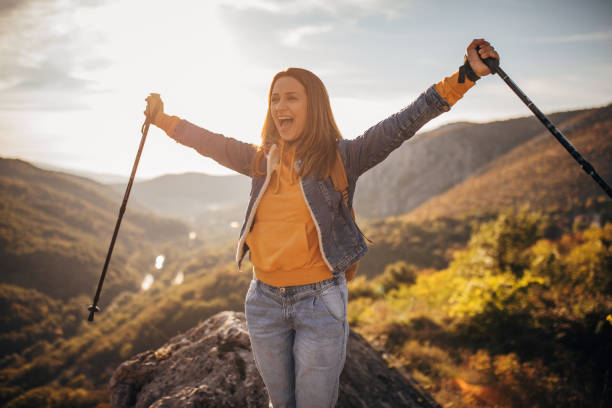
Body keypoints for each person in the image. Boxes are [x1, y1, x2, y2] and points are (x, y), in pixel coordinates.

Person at [145, 38, 499, 408]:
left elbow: (407, 120)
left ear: (313, 107)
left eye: (291, 97)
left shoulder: (344, 157)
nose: (280, 105)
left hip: (320, 302)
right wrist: (161, 119)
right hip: (263, 300)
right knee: (280, 404)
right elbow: (207, 141)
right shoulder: (260, 159)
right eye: (275, 98)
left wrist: (468, 74)